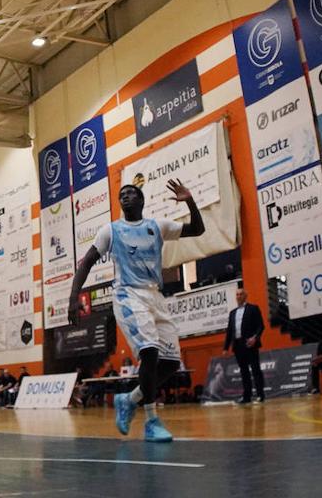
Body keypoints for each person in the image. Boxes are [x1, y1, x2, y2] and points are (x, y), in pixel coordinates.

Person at [67, 179, 204, 443]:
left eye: (132, 193)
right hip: (128, 294)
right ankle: (152, 421)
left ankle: (129, 399)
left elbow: (197, 229)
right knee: (150, 351)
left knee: (171, 362)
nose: (126, 196)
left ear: (141, 200)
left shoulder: (157, 226)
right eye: (122, 195)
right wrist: (74, 296)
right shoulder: (111, 231)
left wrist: (189, 200)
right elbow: (86, 263)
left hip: (155, 295)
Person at [223, 287, 265, 404]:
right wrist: (226, 348)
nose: (238, 296)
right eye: (237, 294)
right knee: (244, 371)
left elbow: (261, 326)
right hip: (238, 345)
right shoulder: (232, 313)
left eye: (241, 294)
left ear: (245, 296)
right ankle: (247, 396)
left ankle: (260, 395)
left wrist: (255, 338)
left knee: (255, 369)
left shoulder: (253, 309)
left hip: (250, 344)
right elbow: (229, 332)